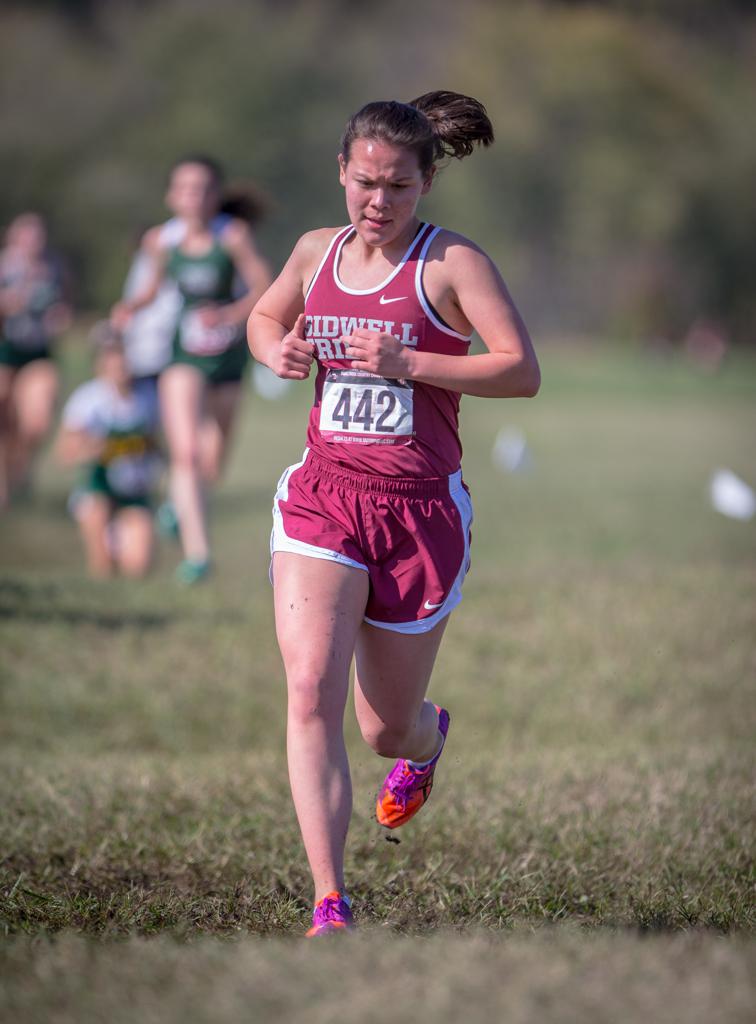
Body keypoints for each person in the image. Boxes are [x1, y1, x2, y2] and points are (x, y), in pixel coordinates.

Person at [248, 91, 540, 936]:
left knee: (384, 729)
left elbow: (520, 370)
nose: (378, 203)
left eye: (398, 188)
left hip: (418, 515)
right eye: (365, 183)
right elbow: (266, 317)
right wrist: (279, 349)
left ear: (427, 182)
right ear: (341, 171)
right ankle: (329, 901)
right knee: (310, 690)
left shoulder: (451, 264)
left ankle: (427, 739)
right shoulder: (315, 252)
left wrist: (412, 360)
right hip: (324, 498)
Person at [112, 156, 271, 583]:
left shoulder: (233, 236)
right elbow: (150, 289)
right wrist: (129, 309)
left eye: (202, 189)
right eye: (184, 188)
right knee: (186, 453)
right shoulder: (160, 241)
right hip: (182, 355)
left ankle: (175, 507)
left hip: (227, 357)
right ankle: (198, 556)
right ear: (171, 196)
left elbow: (262, 286)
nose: (193, 197)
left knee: (213, 459)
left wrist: (232, 315)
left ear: (215, 196)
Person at [56, 323, 160, 579]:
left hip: (134, 491)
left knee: (138, 567)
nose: (120, 365)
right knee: (102, 564)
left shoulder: (148, 398)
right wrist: (96, 448)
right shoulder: (89, 400)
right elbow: (65, 453)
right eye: (112, 357)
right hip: (98, 490)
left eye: (123, 356)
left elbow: (158, 444)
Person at [0, 212, 72, 507]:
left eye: (38, 236)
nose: (33, 242)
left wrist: (61, 317)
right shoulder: (4, 267)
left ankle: (21, 465)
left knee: (37, 421)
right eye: (27, 236)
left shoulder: (54, 267)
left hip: (38, 352)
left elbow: (65, 304)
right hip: (4, 351)